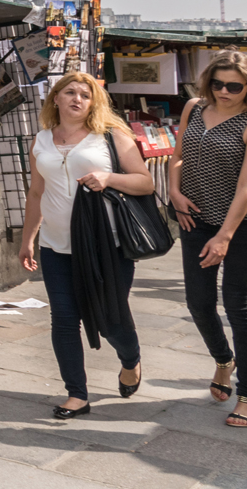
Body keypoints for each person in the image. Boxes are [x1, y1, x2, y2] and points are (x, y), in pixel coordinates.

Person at [19, 73, 152, 418]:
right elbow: (37, 192)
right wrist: (28, 239)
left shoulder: (111, 136)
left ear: (94, 102)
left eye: (86, 94)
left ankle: (130, 359)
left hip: (107, 246)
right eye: (70, 92)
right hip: (55, 246)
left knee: (110, 319)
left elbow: (145, 182)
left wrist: (109, 177)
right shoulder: (42, 140)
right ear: (56, 99)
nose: (78, 99)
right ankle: (76, 394)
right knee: (64, 319)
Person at [170, 50, 247, 428]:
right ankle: (223, 360)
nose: (224, 91)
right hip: (194, 218)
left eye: (234, 85)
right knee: (198, 303)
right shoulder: (195, 108)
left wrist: (225, 236)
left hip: (239, 225)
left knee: (239, 308)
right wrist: (173, 189)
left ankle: (246, 394)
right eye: (218, 83)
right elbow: (179, 154)